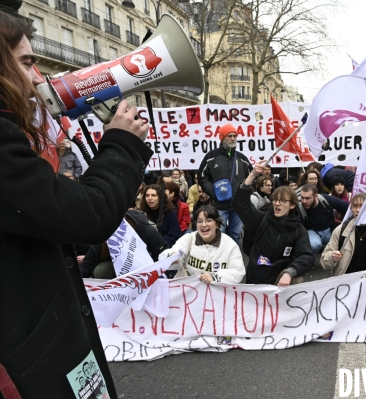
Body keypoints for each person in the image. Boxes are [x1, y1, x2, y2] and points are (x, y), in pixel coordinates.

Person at [0, 6, 151, 398]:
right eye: (27, 63)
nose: (38, 77)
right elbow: (88, 214)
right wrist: (121, 145)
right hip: (26, 359)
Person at [232, 161, 313, 285]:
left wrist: (289, 272)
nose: (277, 204)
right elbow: (240, 203)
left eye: (282, 201)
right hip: (257, 279)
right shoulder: (260, 219)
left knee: (298, 280)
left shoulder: (298, 229)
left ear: (292, 205)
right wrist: (252, 175)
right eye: (275, 200)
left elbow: (307, 257)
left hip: (281, 281)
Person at [159, 205, 245, 283]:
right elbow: (169, 256)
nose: (203, 225)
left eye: (209, 220)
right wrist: (173, 257)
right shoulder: (189, 239)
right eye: (199, 221)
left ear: (217, 224)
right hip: (190, 294)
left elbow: (238, 271)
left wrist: (214, 278)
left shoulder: (230, 245)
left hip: (217, 295)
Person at [198, 123, 252, 245]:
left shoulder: (242, 159)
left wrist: (243, 196)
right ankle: (217, 261)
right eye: (229, 136)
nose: (233, 138)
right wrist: (214, 193)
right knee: (217, 235)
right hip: (218, 206)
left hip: (238, 207)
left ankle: (233, 262)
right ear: (222, 138)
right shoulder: (211, 157)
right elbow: (202, 177)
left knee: (236, 235)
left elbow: (251, 178)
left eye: (235, 136)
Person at [79, 209, 168, 279]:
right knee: (100, 270)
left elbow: (161, 253)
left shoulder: (145, 230)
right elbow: (87, 263)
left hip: (144, 267)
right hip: (118, 268)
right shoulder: (102, 235)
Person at [321, 193, 366, 276]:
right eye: (355, 206)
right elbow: (324, 261)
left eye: (362, 206)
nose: (358, 210)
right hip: (344, 281)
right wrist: (332, 257)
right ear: (351, 208)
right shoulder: (340, 230)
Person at [298, 184, 349, 255]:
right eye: (302, 198)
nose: (304, 201)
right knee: (314, 245)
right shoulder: (300, 207)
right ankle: (310, 261)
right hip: (312, 231)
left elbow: (348, 208)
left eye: (307, 198)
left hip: (329, 230)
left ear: (316, 196)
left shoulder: (325, 200)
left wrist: (345, 223)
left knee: (342, 241)